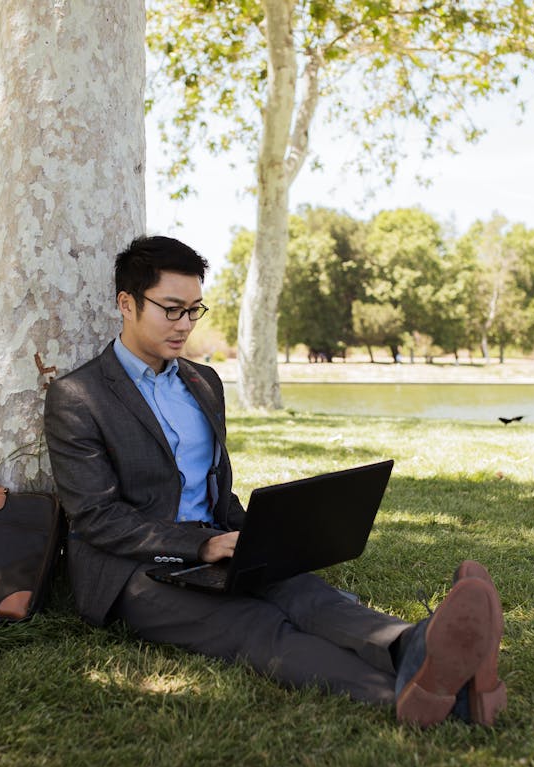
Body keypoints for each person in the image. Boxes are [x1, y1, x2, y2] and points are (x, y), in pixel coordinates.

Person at [43, 235, 506, 726]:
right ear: (127, 303)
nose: (184, 326)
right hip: (130, 571)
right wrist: (201, 548)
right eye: (171, 309)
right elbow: (96, 518)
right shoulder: (78, 396)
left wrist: (265, 540)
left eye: (194, 311)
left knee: (305, 593)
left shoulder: (202, 382)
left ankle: (410, 644)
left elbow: (217, 487)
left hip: (216, 543)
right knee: (257, 624)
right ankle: (427, 697)